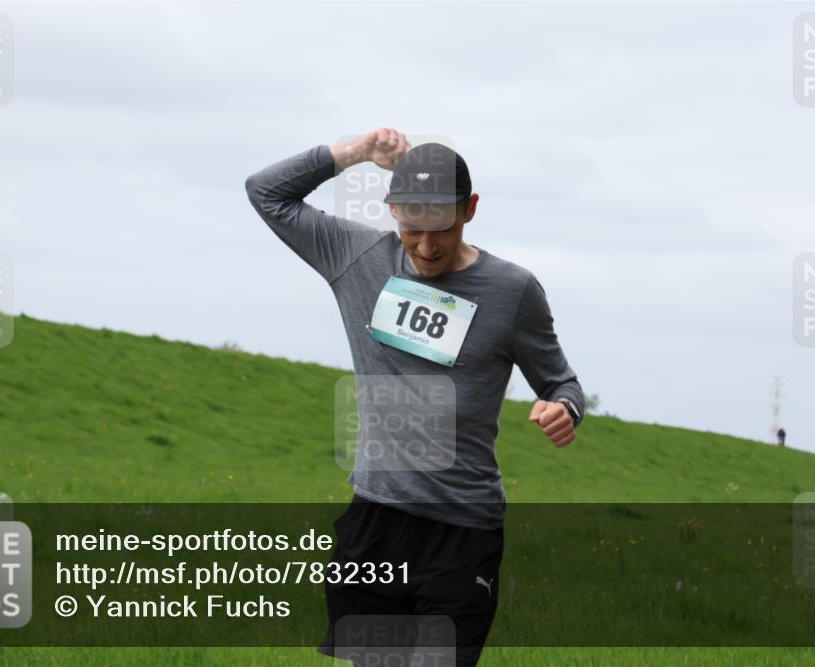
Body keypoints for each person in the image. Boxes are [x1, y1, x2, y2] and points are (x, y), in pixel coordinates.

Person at [245, 128, 585, 666]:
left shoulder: (513, 291)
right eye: (411, 229)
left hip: (461, 531)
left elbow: (561, 383)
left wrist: (564, 408)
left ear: (470, 209)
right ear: (392, 210)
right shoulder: (358, 257)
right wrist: (356, 153)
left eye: (442, 229)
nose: (426, 248)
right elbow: (266, 192)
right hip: (374, 526)